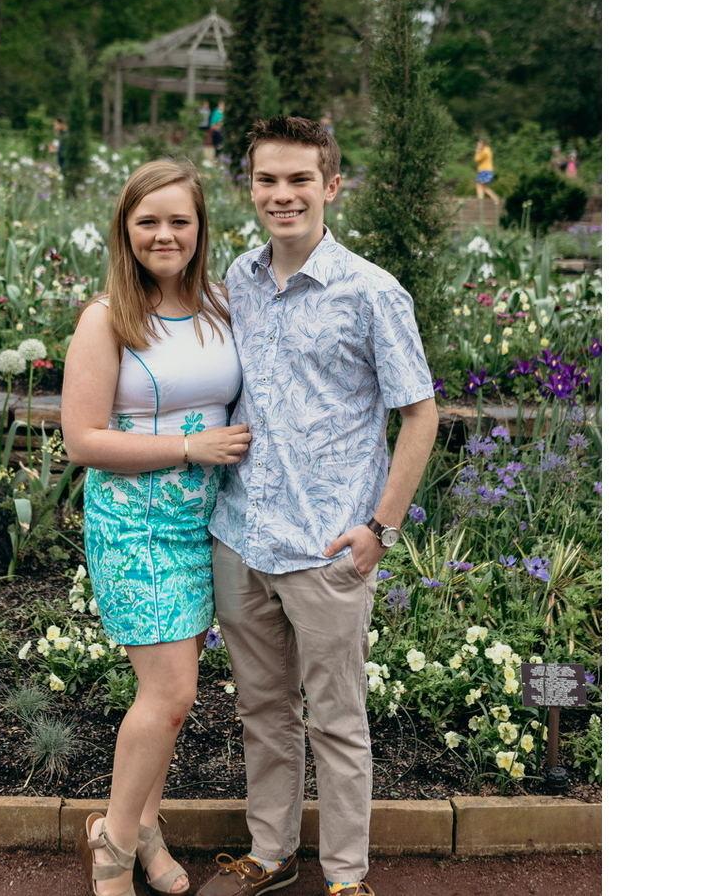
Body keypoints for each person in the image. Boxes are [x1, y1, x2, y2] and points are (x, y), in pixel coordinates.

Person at [196, 117, 440, 896]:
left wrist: (380, 529)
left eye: (300, 179)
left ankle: (344, 877)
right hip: (242, 536)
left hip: (328, 547)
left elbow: (420, 414)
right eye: (267, 179)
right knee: (262, 710)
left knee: (338, 721)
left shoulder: (371, 292)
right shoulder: (239, 279)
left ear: (331, 186)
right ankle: (271, 854)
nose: (283, 194)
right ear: (251, 188)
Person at [62, 160, 251, 896]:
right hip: (134, 526)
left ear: (201, 228)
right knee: (170, 693)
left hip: (206, 520)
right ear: (126, 230)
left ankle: (144, 826)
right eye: (148, 221)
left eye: (179, 220)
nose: (164, 234)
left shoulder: (221, 305)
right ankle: (113, 845)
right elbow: (82, 440)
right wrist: (189, 448)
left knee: (173, 698)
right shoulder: (107, 317)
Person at [473, 136, 500, 206]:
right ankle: (482, 201)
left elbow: (476, 159)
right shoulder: (487, 149)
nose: (478, 145)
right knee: (481, 186)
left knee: (481, 186)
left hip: (485, 171)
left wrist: (477, 151)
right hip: (485, 171)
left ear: (483, 144)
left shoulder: (485, 151)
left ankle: (494, 198)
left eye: (479, 144)